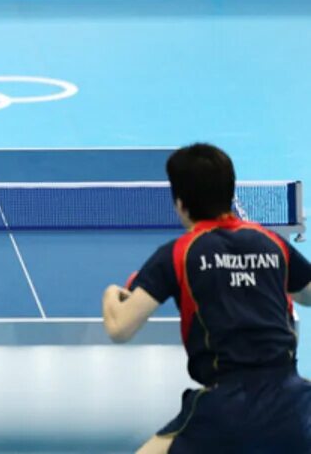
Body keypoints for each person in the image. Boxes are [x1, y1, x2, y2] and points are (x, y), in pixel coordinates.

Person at [102, 143, 311, 453]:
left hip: (226, 408)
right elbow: (306, 295)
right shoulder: (272, 243)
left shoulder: (177, 255)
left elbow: (120, 328)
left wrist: (110, 294)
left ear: (181, 204)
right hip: (294, 403)